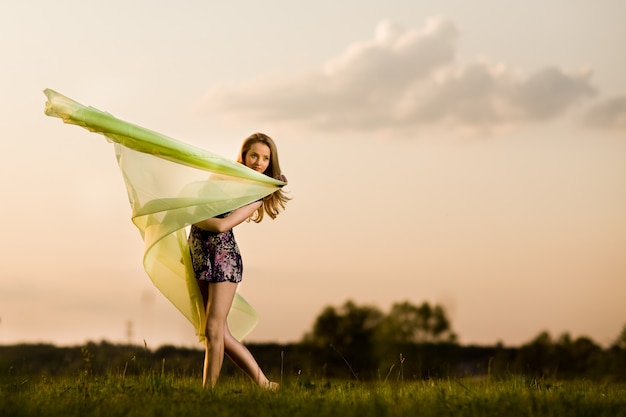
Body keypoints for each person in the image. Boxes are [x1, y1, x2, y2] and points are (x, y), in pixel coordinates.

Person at [188, 133, 290, 389]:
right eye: (254, 155)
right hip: (201, 256)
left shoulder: (255, 196)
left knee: (213, 330)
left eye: (265, 158)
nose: (259, 162)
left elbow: (222, 225)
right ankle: (264, 384)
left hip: (224, 260)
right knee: (219, 332)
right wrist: (188, 212)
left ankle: (206, 394)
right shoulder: (225, 177)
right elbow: (195, 205)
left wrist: (189, 214)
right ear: (243, 155)